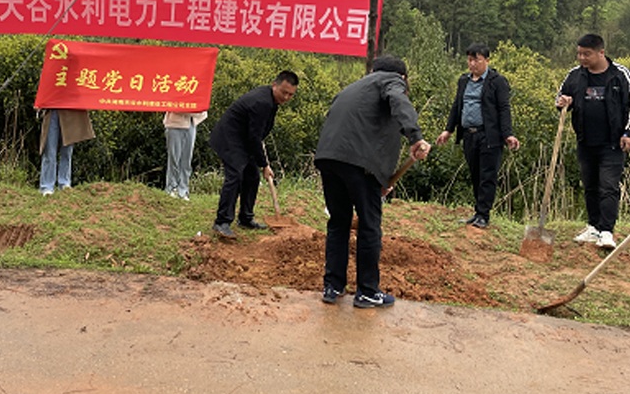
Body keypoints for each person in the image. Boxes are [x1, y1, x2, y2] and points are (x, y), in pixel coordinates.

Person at [315, 55, 431, 308]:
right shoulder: (392, 82)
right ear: (402, 77)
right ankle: (367, 291)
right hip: (359, 163)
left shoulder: (353, 88)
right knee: (369, 226)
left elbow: (361, 128)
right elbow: (399, 102)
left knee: (338, 223)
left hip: (328, 158)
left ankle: (332, 286)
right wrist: (415, 137)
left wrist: (381, 177)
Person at [556, 33, 630, 250]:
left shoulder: (621, 75)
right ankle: (593, 227)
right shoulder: (575, 75)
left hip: (613, 142)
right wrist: (563, 101)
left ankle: (606, 231)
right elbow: (561, 96)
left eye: (587, 54)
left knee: (608, 186)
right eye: (579, 54)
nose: (582, 58)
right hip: (585, 141)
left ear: (601, 52)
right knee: (590, 185)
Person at [436, 43, 520, 229]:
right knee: (475, 175)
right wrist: (448, 130)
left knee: (487, 176)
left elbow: (504, 109)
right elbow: (457, 106)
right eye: (469, 60)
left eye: (476, 60)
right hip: (469, 135)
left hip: (489, 136)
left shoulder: (497, 81)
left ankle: (484, 214)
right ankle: (477, 213)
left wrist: (508, 134)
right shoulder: (463, 80)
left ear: (487, 60)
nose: (472, 64)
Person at [208, 71, 299, 238]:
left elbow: (256, 134)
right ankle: (221, 222)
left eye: (290, 94)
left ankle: (245, 218)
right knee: (235, 176)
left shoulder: (271, 100)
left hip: (244, 139)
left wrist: (261, 163)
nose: (286, 97)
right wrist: (265, 164)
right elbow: (254, 137)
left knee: (252, 176)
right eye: (284, 92)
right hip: (230, 138)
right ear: (274, 85)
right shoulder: (262, 102)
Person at [38, 108, 95, 194]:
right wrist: (40, 103)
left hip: (70, 112)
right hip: (51, 111)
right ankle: (46, 186)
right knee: (49, 151)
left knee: (67, 152)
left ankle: (64, 183)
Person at [163, 110, 208, 201]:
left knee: (186, 160)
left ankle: (183, 190)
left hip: (191, 123)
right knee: (174, 159)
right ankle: (172, 187)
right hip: (174, 123)